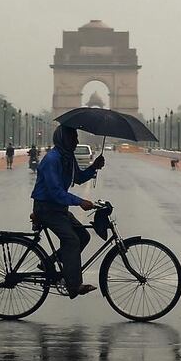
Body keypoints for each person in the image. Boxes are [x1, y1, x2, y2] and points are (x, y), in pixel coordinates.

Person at [31, 126, 105, 299]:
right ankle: (74, 285)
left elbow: (77, 178)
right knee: (71, 241)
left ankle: (48, 262)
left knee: (83, 237)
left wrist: (94, 167)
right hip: (46, 208)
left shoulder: (67, 157)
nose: (77, 141)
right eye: (74, 138)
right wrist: (79, 202)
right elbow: (56, 192)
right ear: (64, 139)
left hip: (58, 208)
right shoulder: (52, 159)